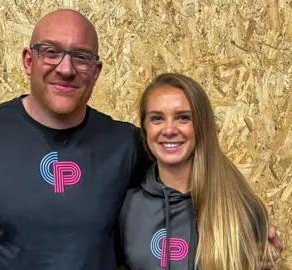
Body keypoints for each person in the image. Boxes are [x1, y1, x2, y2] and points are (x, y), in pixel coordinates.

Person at [0, 9, 283, 270]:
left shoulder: (126, 143)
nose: (66, 68)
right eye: (51, 52)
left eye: (82, 57)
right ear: (28, 61)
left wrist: (250, 219)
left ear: (96, 71)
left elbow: (192, 155)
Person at [117, 73, 281, 270]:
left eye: (183, 118)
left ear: (201, 126)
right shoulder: (126, 207)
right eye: (157, 118)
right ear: (144, 129)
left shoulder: (241, 209)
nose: (169, 130)